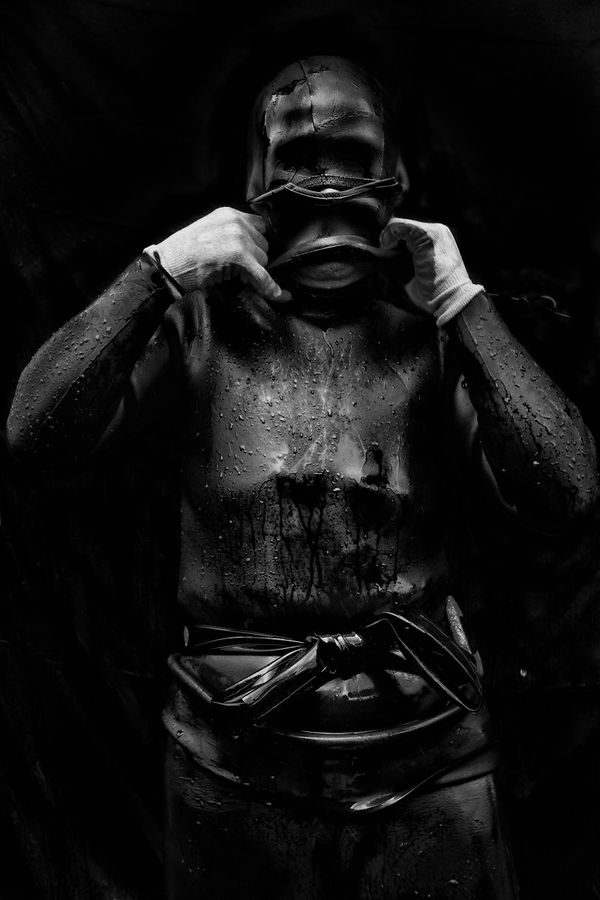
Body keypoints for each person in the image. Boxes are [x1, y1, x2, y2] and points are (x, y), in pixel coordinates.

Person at [6, 55, 599, 899]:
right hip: (231, 757)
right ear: (256, 182)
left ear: (395, 180)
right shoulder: (201, 326)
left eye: (353, 161)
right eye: (298, 162)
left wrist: (464, 301)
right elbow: (35, 437)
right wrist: (156, 272)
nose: (326, 191)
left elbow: (568, 493)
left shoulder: (432, 336)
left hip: (432, 762)